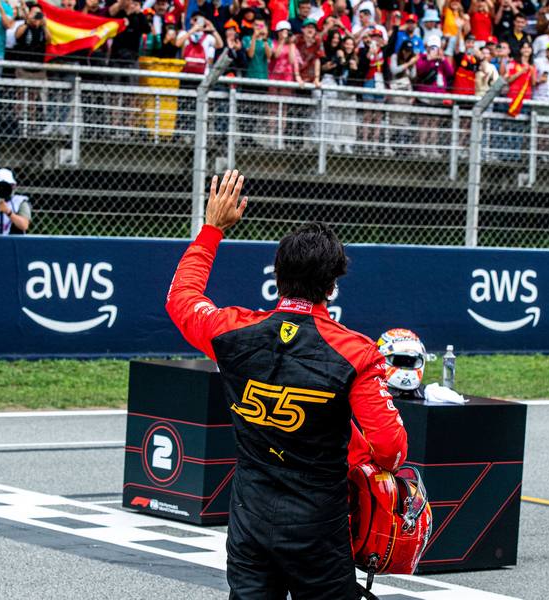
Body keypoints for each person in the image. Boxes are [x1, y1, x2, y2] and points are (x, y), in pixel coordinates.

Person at [165, 169, 407, 599]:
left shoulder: (232, 331)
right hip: (319, 527)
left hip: (250, 521)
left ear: (277, 277)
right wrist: (353, 453)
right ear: (332, 286)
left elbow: (181, 298)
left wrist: (212, 229)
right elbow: (390, 448)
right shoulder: (357, 352)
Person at [376, 328, 427, 399]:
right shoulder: (367, 393)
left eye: (411, 361)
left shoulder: (429, 393)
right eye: (399, 360)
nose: (406, 364)